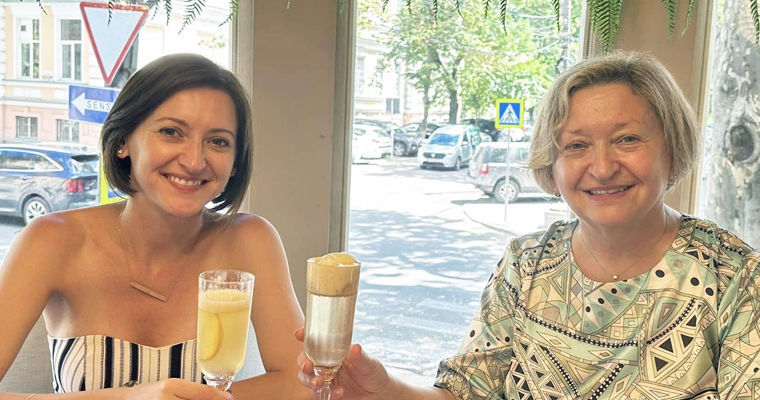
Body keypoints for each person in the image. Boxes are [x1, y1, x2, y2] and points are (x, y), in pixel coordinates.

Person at [295, 51, 760, 399]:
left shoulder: (735, 277)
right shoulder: (527, 262)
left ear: (673, 151)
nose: (601, 167)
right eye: (576, 145)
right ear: (551, 167)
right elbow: (468, 392)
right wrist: (384, 390)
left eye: (627, 139)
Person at [0, 53, 311, 399]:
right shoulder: (51, 240)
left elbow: (301, 385)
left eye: (218, 141)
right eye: (171, 132)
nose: (194, 161)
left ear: (236, 162)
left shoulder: (249, 240)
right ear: (123, 141)